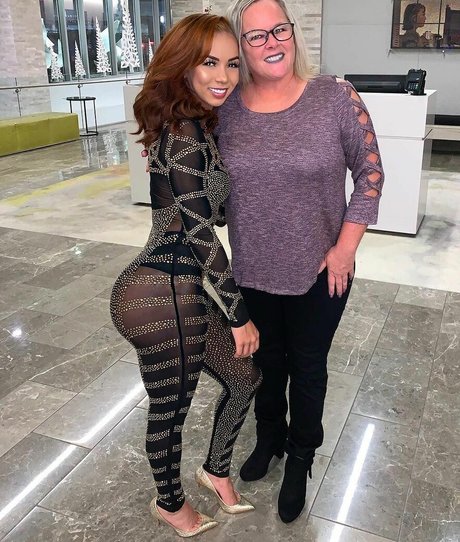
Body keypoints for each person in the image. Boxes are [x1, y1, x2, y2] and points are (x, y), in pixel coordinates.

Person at [218, 0, 384, 523]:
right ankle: (270, 437)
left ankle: (301, 456)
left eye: (279, 30)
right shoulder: (226, 108)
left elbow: (371, 174)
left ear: (293, 33)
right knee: (266, 365)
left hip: (321, 271)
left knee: (308, 367)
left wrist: (345, 248)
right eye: (256, 35)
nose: (271, 42)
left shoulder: (334, 96)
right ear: (241, 46)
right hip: (251, 270)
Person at [110, 13, 261, 538]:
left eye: (233, 64)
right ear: (184, 66)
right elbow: (200, 234)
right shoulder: (185, 133)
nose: (224, 75)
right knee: (171, 409)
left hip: (179, 288)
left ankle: (215, 470)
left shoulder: (196, 125)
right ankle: (170, 504)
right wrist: (239, 316)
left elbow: (206, 212)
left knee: (244, 378)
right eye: (209, 62)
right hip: (159, 293)